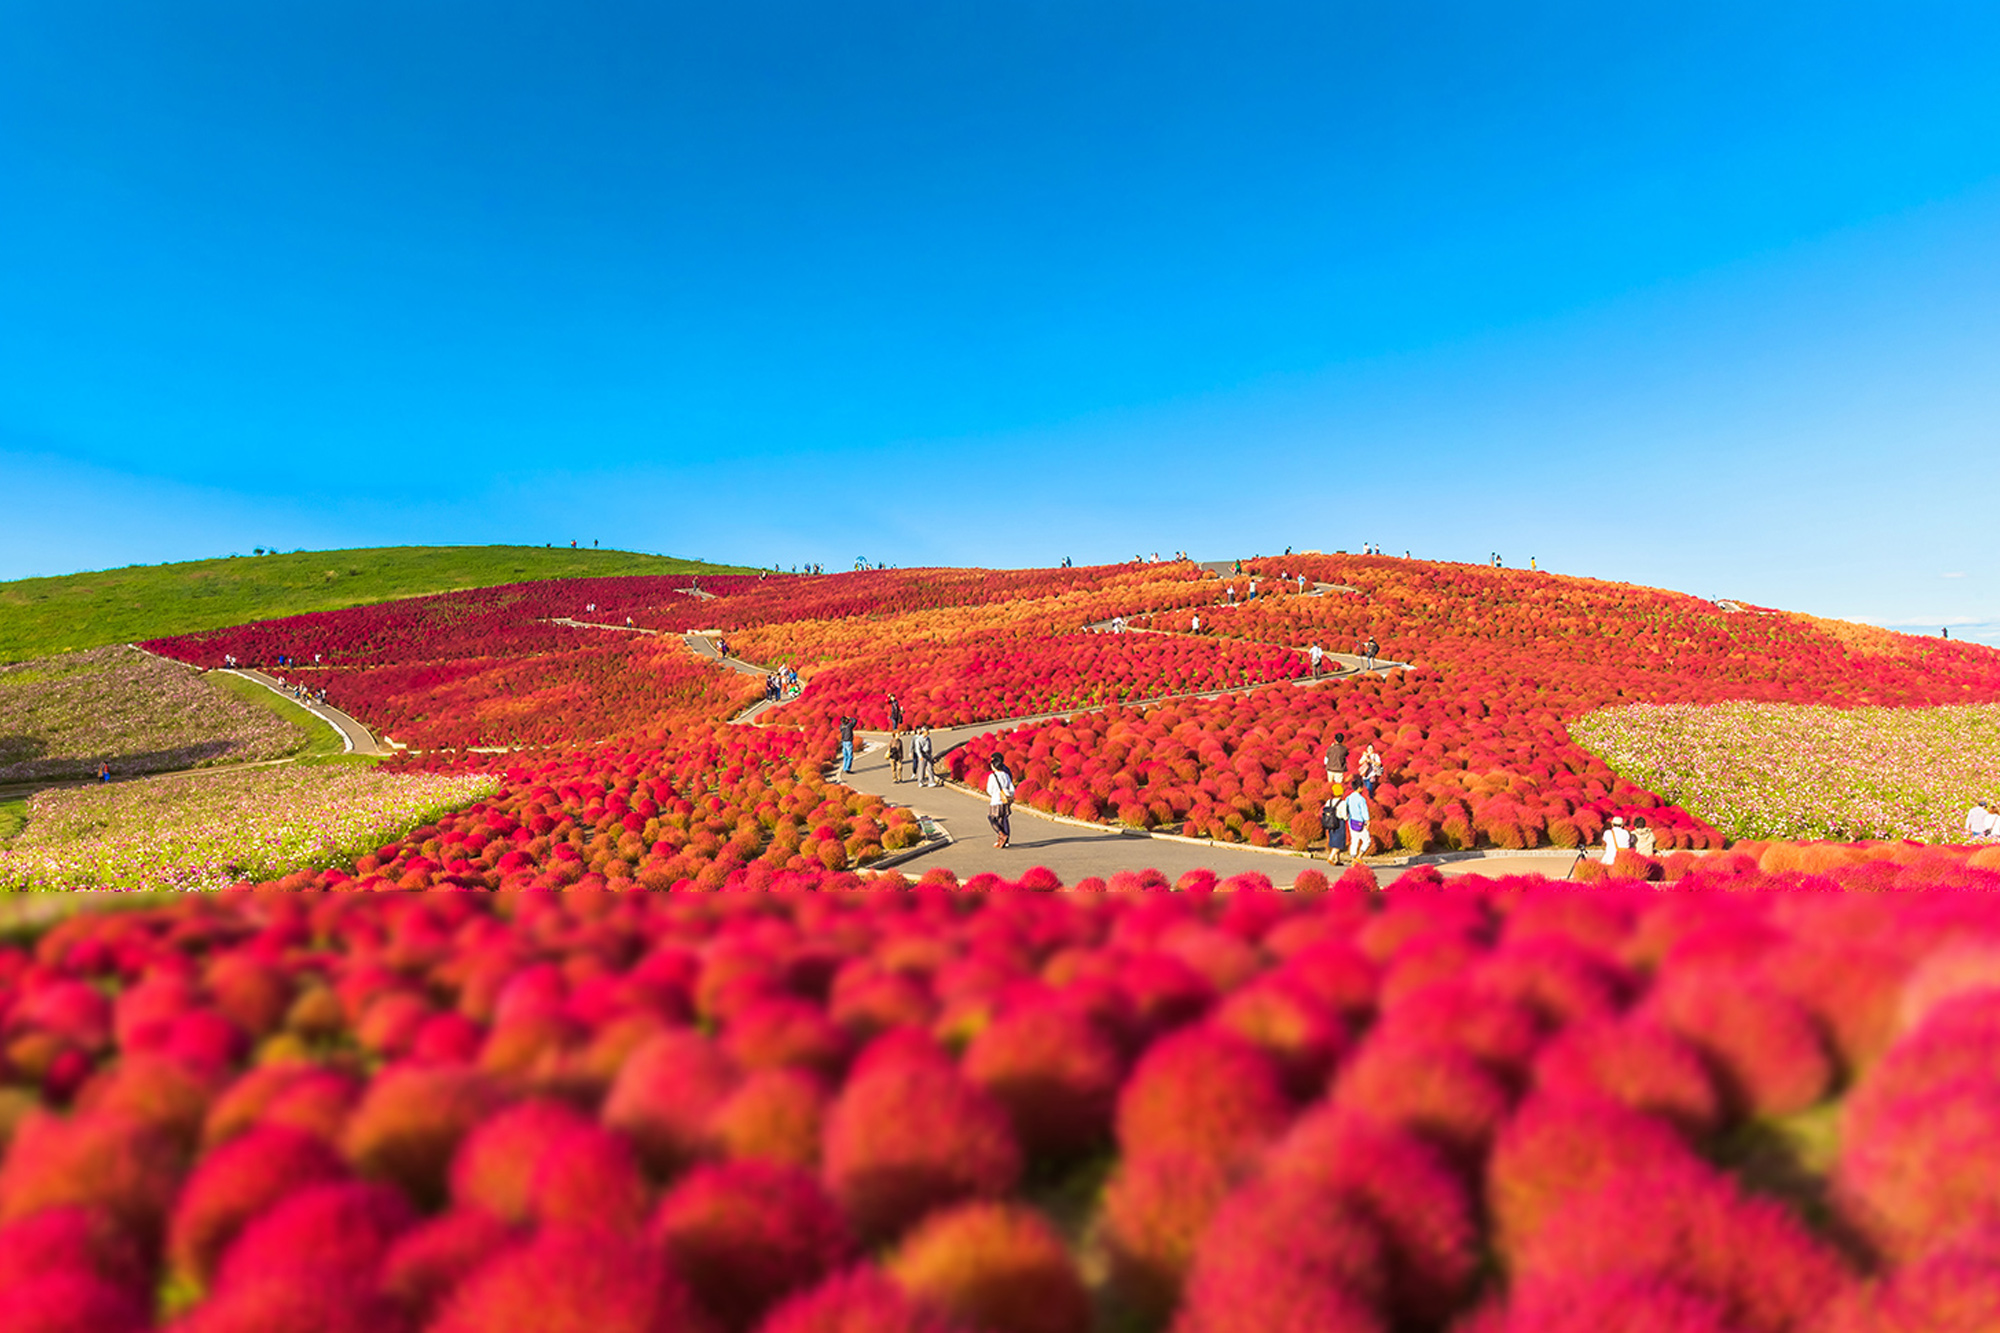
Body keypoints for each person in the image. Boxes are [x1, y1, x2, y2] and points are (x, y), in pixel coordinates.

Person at [986, 759, 1017, 848]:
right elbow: (1011, 788)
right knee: (1004, 819)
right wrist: (1008, 795)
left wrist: (994, 794)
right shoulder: (1006, 775)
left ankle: (1001, 834)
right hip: (1004, 801)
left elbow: (989, 790)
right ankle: (1006, 841)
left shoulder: (992, 776)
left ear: (994, 766)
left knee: (992, 818)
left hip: (996, 801)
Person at [1341, 783, 1372, 861]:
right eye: (1362, 787)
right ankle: (1359, 856)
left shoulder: (1348, 798)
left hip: (1351, 821)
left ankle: (1353, 859)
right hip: (1360, 822)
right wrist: (1367, 821)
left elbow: (1346, 808)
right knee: (1367, 840)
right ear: (1359, 788)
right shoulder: (1361, 799)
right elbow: (1364, 811)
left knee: (1354, 840)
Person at [1321, 792, 1345, 864]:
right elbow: (1344, 815)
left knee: (1334, 840)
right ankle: (1330, 858)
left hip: (1330, 823)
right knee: (1340, 842)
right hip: (1339, 822)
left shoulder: (1329, 801)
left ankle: (1337, 860)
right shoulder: (1343, 803)